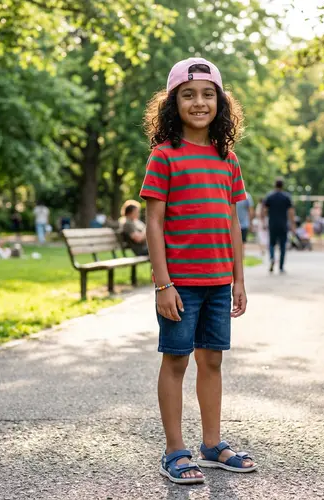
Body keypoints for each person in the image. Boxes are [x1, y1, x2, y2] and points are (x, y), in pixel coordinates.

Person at [140, 57, 256, 485]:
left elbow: (231, 222)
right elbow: (153, 223)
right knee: (176, 361)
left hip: (218, 281)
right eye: (188, 95)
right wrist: (163, 283)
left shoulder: (228, 159)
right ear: (173, 104)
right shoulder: (164, 156)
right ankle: (174, 451)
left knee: (213, 361)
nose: (199, 102)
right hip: (180, 284)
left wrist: (238, 279)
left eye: (208, 94)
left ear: (221, 103)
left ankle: (212, 445)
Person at [264, 178, 296, 274]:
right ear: (282, 185)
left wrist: (266, 219)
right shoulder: (286, 197)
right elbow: (291, 212)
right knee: (282, 246)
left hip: (272, 223)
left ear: (275, 185)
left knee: (271, 244)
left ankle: (272, 258)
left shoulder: (269, 196)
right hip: (283, 224)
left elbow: (265, 210)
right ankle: (281, 267)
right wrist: (293, 224)